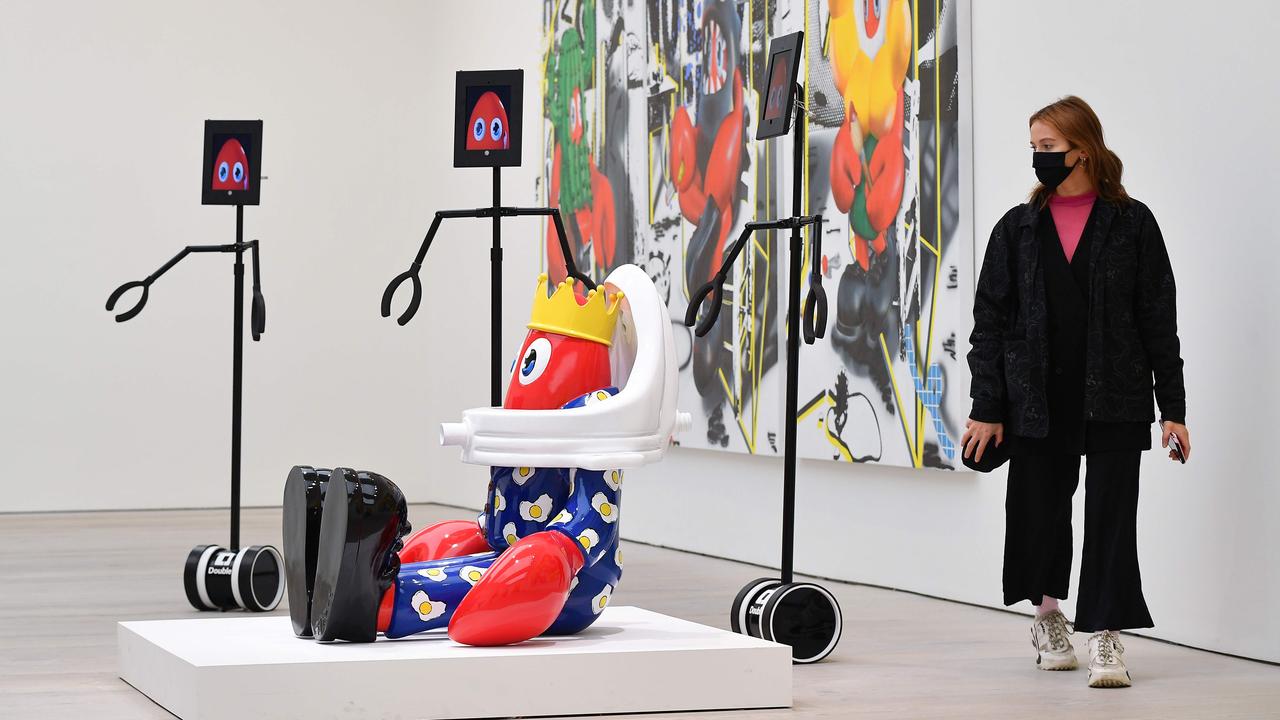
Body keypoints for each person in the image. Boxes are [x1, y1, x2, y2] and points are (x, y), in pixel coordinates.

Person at [961, 96, 1190, 689]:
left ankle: (1107, 635)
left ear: (1082, 151)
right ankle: (1048, 618)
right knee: (1039, 511)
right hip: (1034, 395)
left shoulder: (1134, 223)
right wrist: (987, 407)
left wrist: (1174, 410)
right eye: (1034, 148)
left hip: (1115, 393)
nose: (1038, 159)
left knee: (1112, 515)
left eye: (1048, 148)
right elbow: (989, 322)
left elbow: (1158, 320)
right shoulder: (1016, 228)